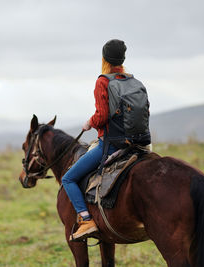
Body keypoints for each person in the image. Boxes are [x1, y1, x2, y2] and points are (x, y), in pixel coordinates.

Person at [62, 39, 131, 241]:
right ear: (122, 58)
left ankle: (86, 220)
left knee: (68, 178)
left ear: (104, 58)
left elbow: (101, 117)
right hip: (137, 143)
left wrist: (89, 122)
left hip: (111, 145)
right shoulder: (131, 81)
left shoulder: (104, 81)